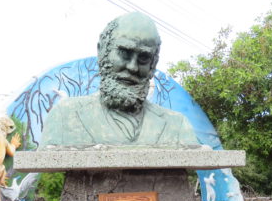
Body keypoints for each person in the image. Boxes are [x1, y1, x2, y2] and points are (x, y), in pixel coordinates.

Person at [40, 12, 199, 146]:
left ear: (153, 64)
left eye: (144, 58)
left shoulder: (177, 127)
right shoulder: (65, 115)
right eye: (124, 53)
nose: (132, 67)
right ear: (102, 51)